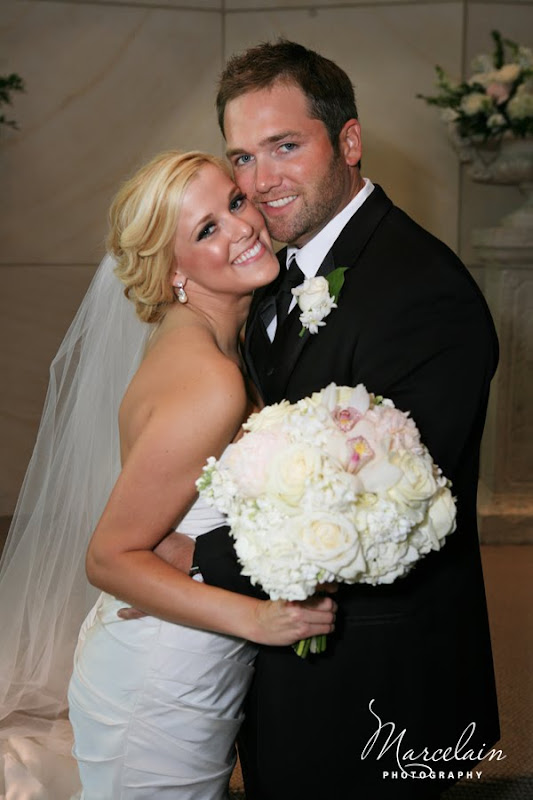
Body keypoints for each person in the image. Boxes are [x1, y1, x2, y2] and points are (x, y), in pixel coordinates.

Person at [157, 40, 501, 799]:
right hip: (282, 661)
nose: (260, 182)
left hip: (377, 683)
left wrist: (190, 558)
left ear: (348, 141)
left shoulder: (423, 292)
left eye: (285, 146)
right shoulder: (270, 271)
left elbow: (387, 509)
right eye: (242, 157)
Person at [0, 150, 336, 800]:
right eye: (206, 229)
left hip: (171, 655)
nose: (241, 227)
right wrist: (257, 619)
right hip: (162, 679)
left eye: (234, 203)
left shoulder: (201, 342)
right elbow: (109, 557)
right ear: (174, 271)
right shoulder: (208, 378)